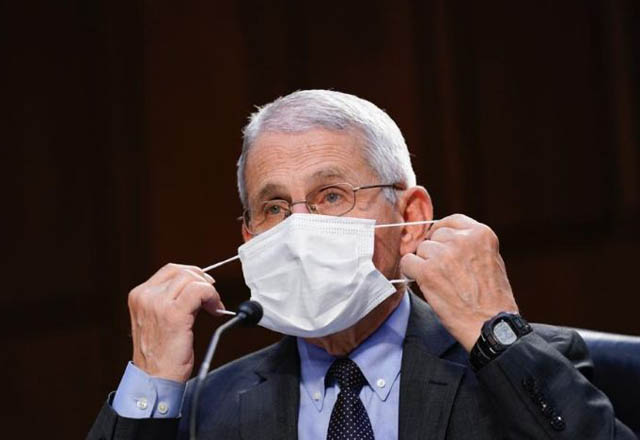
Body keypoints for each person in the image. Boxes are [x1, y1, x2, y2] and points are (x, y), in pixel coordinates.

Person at [88, 90, 636, 440]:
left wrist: (496, 334)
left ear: (411, 219)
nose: (299, 231)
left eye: (331, 196)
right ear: (250, 239)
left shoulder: (521, 365)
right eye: (274, 208)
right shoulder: (207, 407)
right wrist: (151, 378)